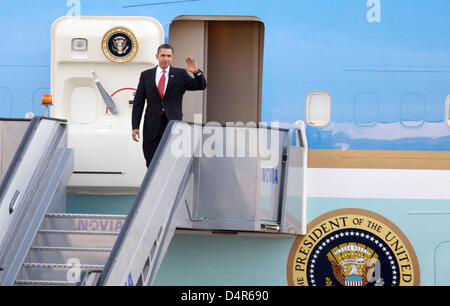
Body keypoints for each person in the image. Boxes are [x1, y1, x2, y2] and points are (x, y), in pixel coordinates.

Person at [131, 44, 207, 167]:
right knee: (151, 162)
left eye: (169, 56)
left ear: (172, 58)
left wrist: (197, 73)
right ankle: (154, 186)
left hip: (173, 125)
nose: (166, 58)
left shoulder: (180, 74)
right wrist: (135, 126)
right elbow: (138, 103)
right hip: (151, 126)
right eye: (163, 55)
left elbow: (200, 86)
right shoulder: (146, 75)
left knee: (170, 162)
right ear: (157, 56)